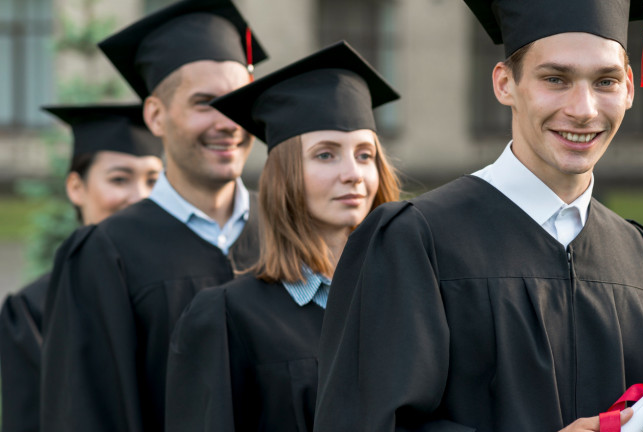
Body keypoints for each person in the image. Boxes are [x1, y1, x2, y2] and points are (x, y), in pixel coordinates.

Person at [314, 1, 643, 432]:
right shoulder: (416, 240)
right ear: (505, 83)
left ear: (628, 87)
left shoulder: (639, 259)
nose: (584, 109)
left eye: (604, 81)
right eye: (556, 79)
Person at [39, 0, 268, 431]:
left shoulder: (289, 233)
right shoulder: (106, 255)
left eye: (238, 101)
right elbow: (87, 414)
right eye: (205, 103)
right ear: (156, 116)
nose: (228, 122)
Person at [163, 40, 401, 432]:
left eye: (364, 154)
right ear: (285, 176)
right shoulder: (228, 317)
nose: (353, 174)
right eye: (326, 154)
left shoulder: (411, 297)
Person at [0, 104, 163, 432]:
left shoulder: (180, 291)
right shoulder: (32, 311)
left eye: (153, 180)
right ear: (76, 187)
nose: (140, 196)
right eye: (119, 179)